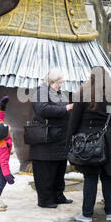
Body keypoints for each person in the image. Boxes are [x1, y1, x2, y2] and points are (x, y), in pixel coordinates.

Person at [66, 66, 111, 222]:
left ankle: (87, 214)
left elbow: (74, 122)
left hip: (90, 141)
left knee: (90, 177)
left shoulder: (82, 95)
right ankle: (110, 212)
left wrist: (69, 142)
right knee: (108, 177)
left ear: (91, 78)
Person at [30, 68, 73, 208]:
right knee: (45, 172)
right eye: (58, 82)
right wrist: (66, 109)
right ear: (51, 81)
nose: (61, 85)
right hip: (46, 141)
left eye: (61, 82)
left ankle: (58, 196)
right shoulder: (40, 92)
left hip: (59, 139)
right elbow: (42, 109)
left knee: (59, 170)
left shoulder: (58, 93)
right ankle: (45, 200)